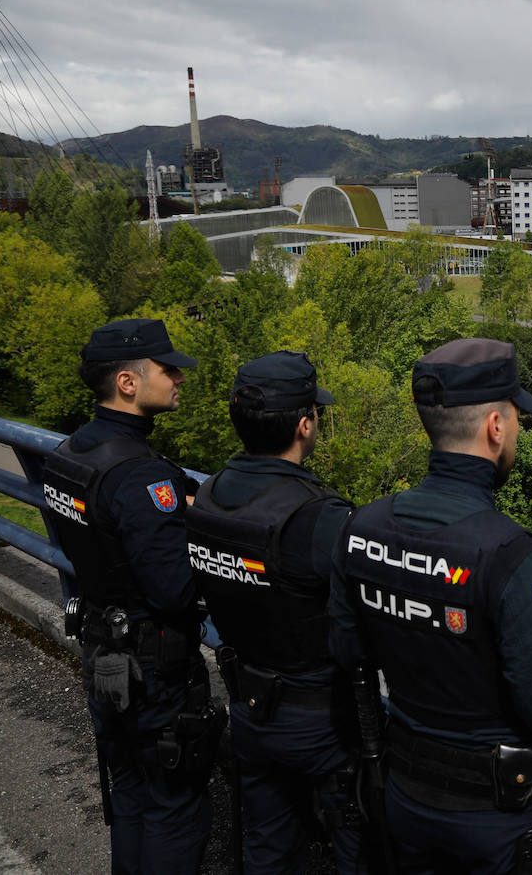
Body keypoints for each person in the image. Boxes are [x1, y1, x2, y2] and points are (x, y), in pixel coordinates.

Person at [329, 338, 532, 874]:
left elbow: (346, 654)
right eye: (517, 417)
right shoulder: (511, 556)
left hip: (404, 793)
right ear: (495, 427)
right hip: (498, 820)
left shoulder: (360, 530)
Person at [41, 319, 220, 873]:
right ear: (127, 381)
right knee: (174, 807)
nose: (178, 379)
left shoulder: (69, 454)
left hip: (103, 650)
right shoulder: (141, 477)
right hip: (154, 670)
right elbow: (174, 591)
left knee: (131, 797)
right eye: (168, 371)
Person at [187, 351, 367, 872]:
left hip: (248, 703)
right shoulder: (317, 517)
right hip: (321, 720)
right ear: (305, 424)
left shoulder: (209, 494)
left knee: (267, 847)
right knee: (358, 843)